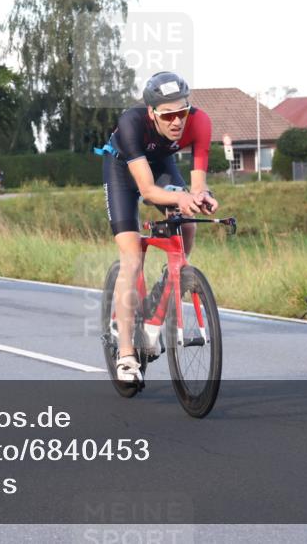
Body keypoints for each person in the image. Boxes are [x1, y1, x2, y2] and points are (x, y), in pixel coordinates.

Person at [96, 71, 219, 384]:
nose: (177, 121)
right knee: (132, 258)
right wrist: (182, 198)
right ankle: (126, 355)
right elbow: (148, 192)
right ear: (152, 112)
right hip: (124, 172)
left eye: (182, 112)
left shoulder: (200, 122)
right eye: (168, 115)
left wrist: (200, 196)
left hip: (162, 168)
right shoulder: (131, 123)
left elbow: (197, 184)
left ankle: (161, 301)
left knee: (187, 221)